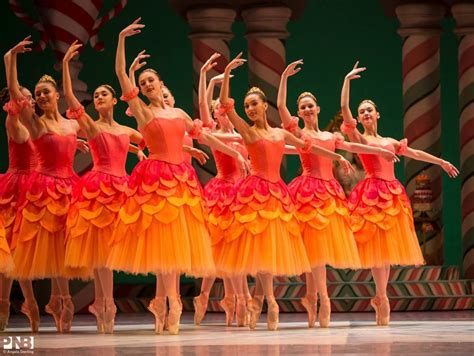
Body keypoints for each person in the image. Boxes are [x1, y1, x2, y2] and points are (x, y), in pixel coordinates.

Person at [106, 19, 248, 335]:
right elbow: (120, 75)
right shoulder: (144, 113)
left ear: (160, 82)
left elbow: (208, 138)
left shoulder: (180, 113)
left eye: (150, 80)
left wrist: (236, 153)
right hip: (155, 179)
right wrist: (120, 40)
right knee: (160, 244)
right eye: (142, 83)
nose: (146, 85)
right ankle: (168, 301)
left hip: (180, 181)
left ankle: (167, 300)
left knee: (173, 246)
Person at [215, 53, 355, 331]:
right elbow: (225, 106)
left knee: (269, 251)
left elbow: (308, 147)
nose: (250, 109)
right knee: (256, 250)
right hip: (253, 194)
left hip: (277, 194)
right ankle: (269, 300)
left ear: (264, 106)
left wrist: (338, 158)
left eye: (254, 104)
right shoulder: (247, 132)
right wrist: (228, 74)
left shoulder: (280, 133)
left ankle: (264, 299)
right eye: (247, 105)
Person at [277, 60, 398, 328]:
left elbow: (360, 145)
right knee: (313, 249)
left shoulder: (331, 136)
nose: (307, 109)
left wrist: (384, 151)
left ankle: (313, 296)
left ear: (318, 109)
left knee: (319, 249)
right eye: (303, 107)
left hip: (329, 192)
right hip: (306, 191)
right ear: (299, 112)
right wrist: (284, 77)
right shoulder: (298, 134)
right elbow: (281, 108)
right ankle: (321, 297)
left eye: (311, 105)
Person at [340, 61, 459, 326]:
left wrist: (440, 162)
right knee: (376, 250)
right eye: (362, 112)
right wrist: (347, 81)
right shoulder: (362, 140)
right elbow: (345, 111)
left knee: (387, 250)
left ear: (378, 114)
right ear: (359, 119)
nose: (365, 114)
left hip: (391, 194)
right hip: (371, 194)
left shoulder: (390, 141)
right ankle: (381, 297)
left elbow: (414, 153)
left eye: (369, 110)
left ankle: (381, 296)